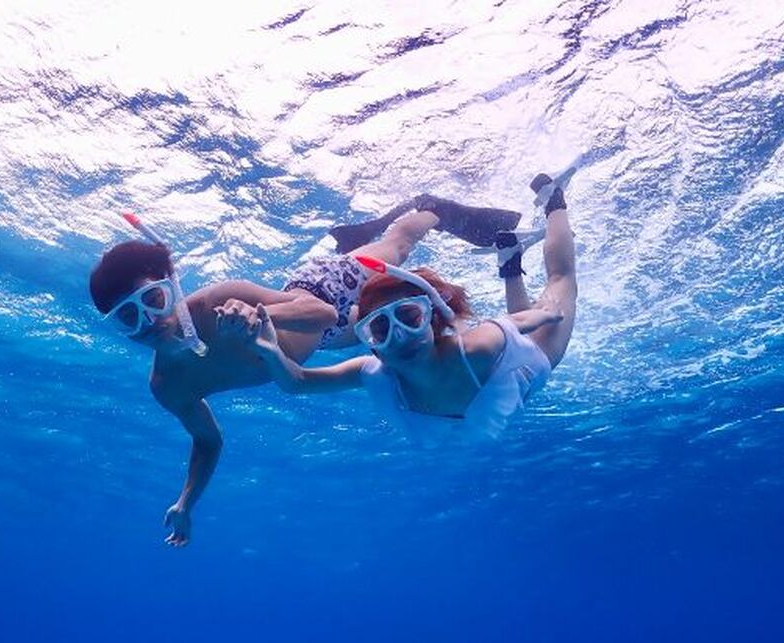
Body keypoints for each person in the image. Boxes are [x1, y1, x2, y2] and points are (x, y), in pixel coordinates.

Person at [89, 199, 523, 546]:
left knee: (397, 249)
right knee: (381, 326)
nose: (150, 321)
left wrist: (260, 314)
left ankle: (429, 210)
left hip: (322, 290)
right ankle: (352, 240)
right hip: (330, 338)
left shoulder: (215, 302)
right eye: (129, 317)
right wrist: (186, 502)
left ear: (171, 287)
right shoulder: (168, 386)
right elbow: (207, 440)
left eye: (154, 300)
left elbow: (321, 312)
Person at [229, 167, 578, 440]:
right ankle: (510, 260)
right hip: (483, 369)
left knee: (561, 280)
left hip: (526, 362)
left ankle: (553, 201)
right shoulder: (375, 372)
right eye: (381, 328)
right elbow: (297, 382)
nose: (399, 336)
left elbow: (511, 325)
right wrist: (270, 351)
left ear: (430, 320)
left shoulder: (476, 348)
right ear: (370, 341)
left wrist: (545, 314)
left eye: (409, 317)